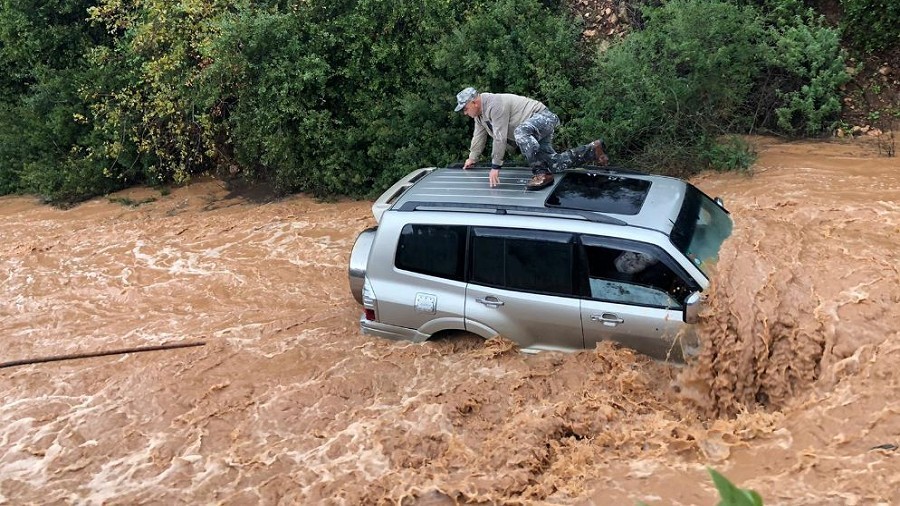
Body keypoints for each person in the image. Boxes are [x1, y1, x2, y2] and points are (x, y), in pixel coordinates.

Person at [454, 87, 608, 189]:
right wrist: (472, 158)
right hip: (532, 133)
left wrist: (495, 167)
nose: (465, 113)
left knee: (520, 133)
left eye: (465, 109)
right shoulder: (479, 116)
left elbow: (499, 137)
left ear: (474, 102)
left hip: (542, 118)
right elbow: (479, 136)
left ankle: (541, 174)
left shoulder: (494, 104)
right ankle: (593, 150)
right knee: (555, 164)